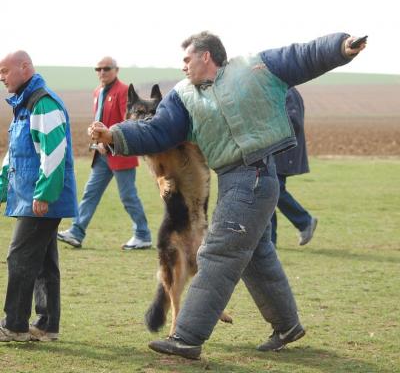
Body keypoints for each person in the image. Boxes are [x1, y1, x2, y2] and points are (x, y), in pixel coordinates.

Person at [89, 32, 366, 359]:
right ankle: (287, 325)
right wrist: (114, 135)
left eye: (187, 59)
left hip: (258, 175)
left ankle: (187, 337)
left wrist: (339, 47)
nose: (183, 66)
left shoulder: (254, 68)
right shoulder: (182, 97)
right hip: (235, 179)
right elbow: (156, 130)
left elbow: (299, 57)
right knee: (255, 254)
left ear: (206, 56)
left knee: (218, 252)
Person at [0, 51, 78, 342]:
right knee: (43, 261)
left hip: (42, 199)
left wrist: (45, 194)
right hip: (31, 197)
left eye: (5, 70)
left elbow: (54, 152)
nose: (1, 77)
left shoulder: (42, 103)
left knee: (19, 256)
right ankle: (46, 326)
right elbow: (16, 155)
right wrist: (1, 189)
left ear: (25, 67)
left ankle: (14, 325)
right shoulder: (23, 105)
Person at [57, 56, 151, 250]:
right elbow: (101, 118)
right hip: (101, 155)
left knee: (128, 196)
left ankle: (143, 235)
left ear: (116, 70)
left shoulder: (124, 91)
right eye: (98, 69)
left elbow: (128, 122)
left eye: (106, 68)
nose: (102, 72)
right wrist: (95, 132)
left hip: (121, 152)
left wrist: (108, 143)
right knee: (90, 193)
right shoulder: (97, 91)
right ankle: (76, 231)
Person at [271, 87, 317, 247]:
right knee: (268, 194)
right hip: (276, 152)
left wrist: (268, 129)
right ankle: (269, 242)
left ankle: (304, 221)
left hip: (282, 152)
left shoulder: (286, 90)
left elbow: (294, 121)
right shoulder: (280, 88)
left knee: (274, 191)